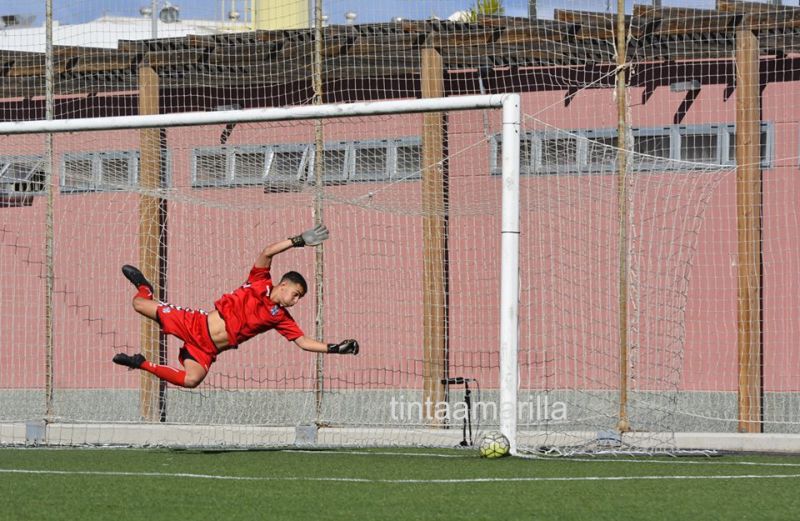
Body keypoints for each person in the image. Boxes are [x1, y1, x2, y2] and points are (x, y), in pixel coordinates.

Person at [112, 223, 358, 388]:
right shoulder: (259, 281)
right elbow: (267, 252)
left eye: (299, 298)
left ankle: (140, 363)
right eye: (295, 294)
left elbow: (303, 342)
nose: (295, 301)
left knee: (192, 380)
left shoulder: (280, 317)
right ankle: (145, 287)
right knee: (139, 304)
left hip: (207, 349)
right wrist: (298, 241)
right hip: (194, 324)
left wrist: (335, 348)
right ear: (283, 285)